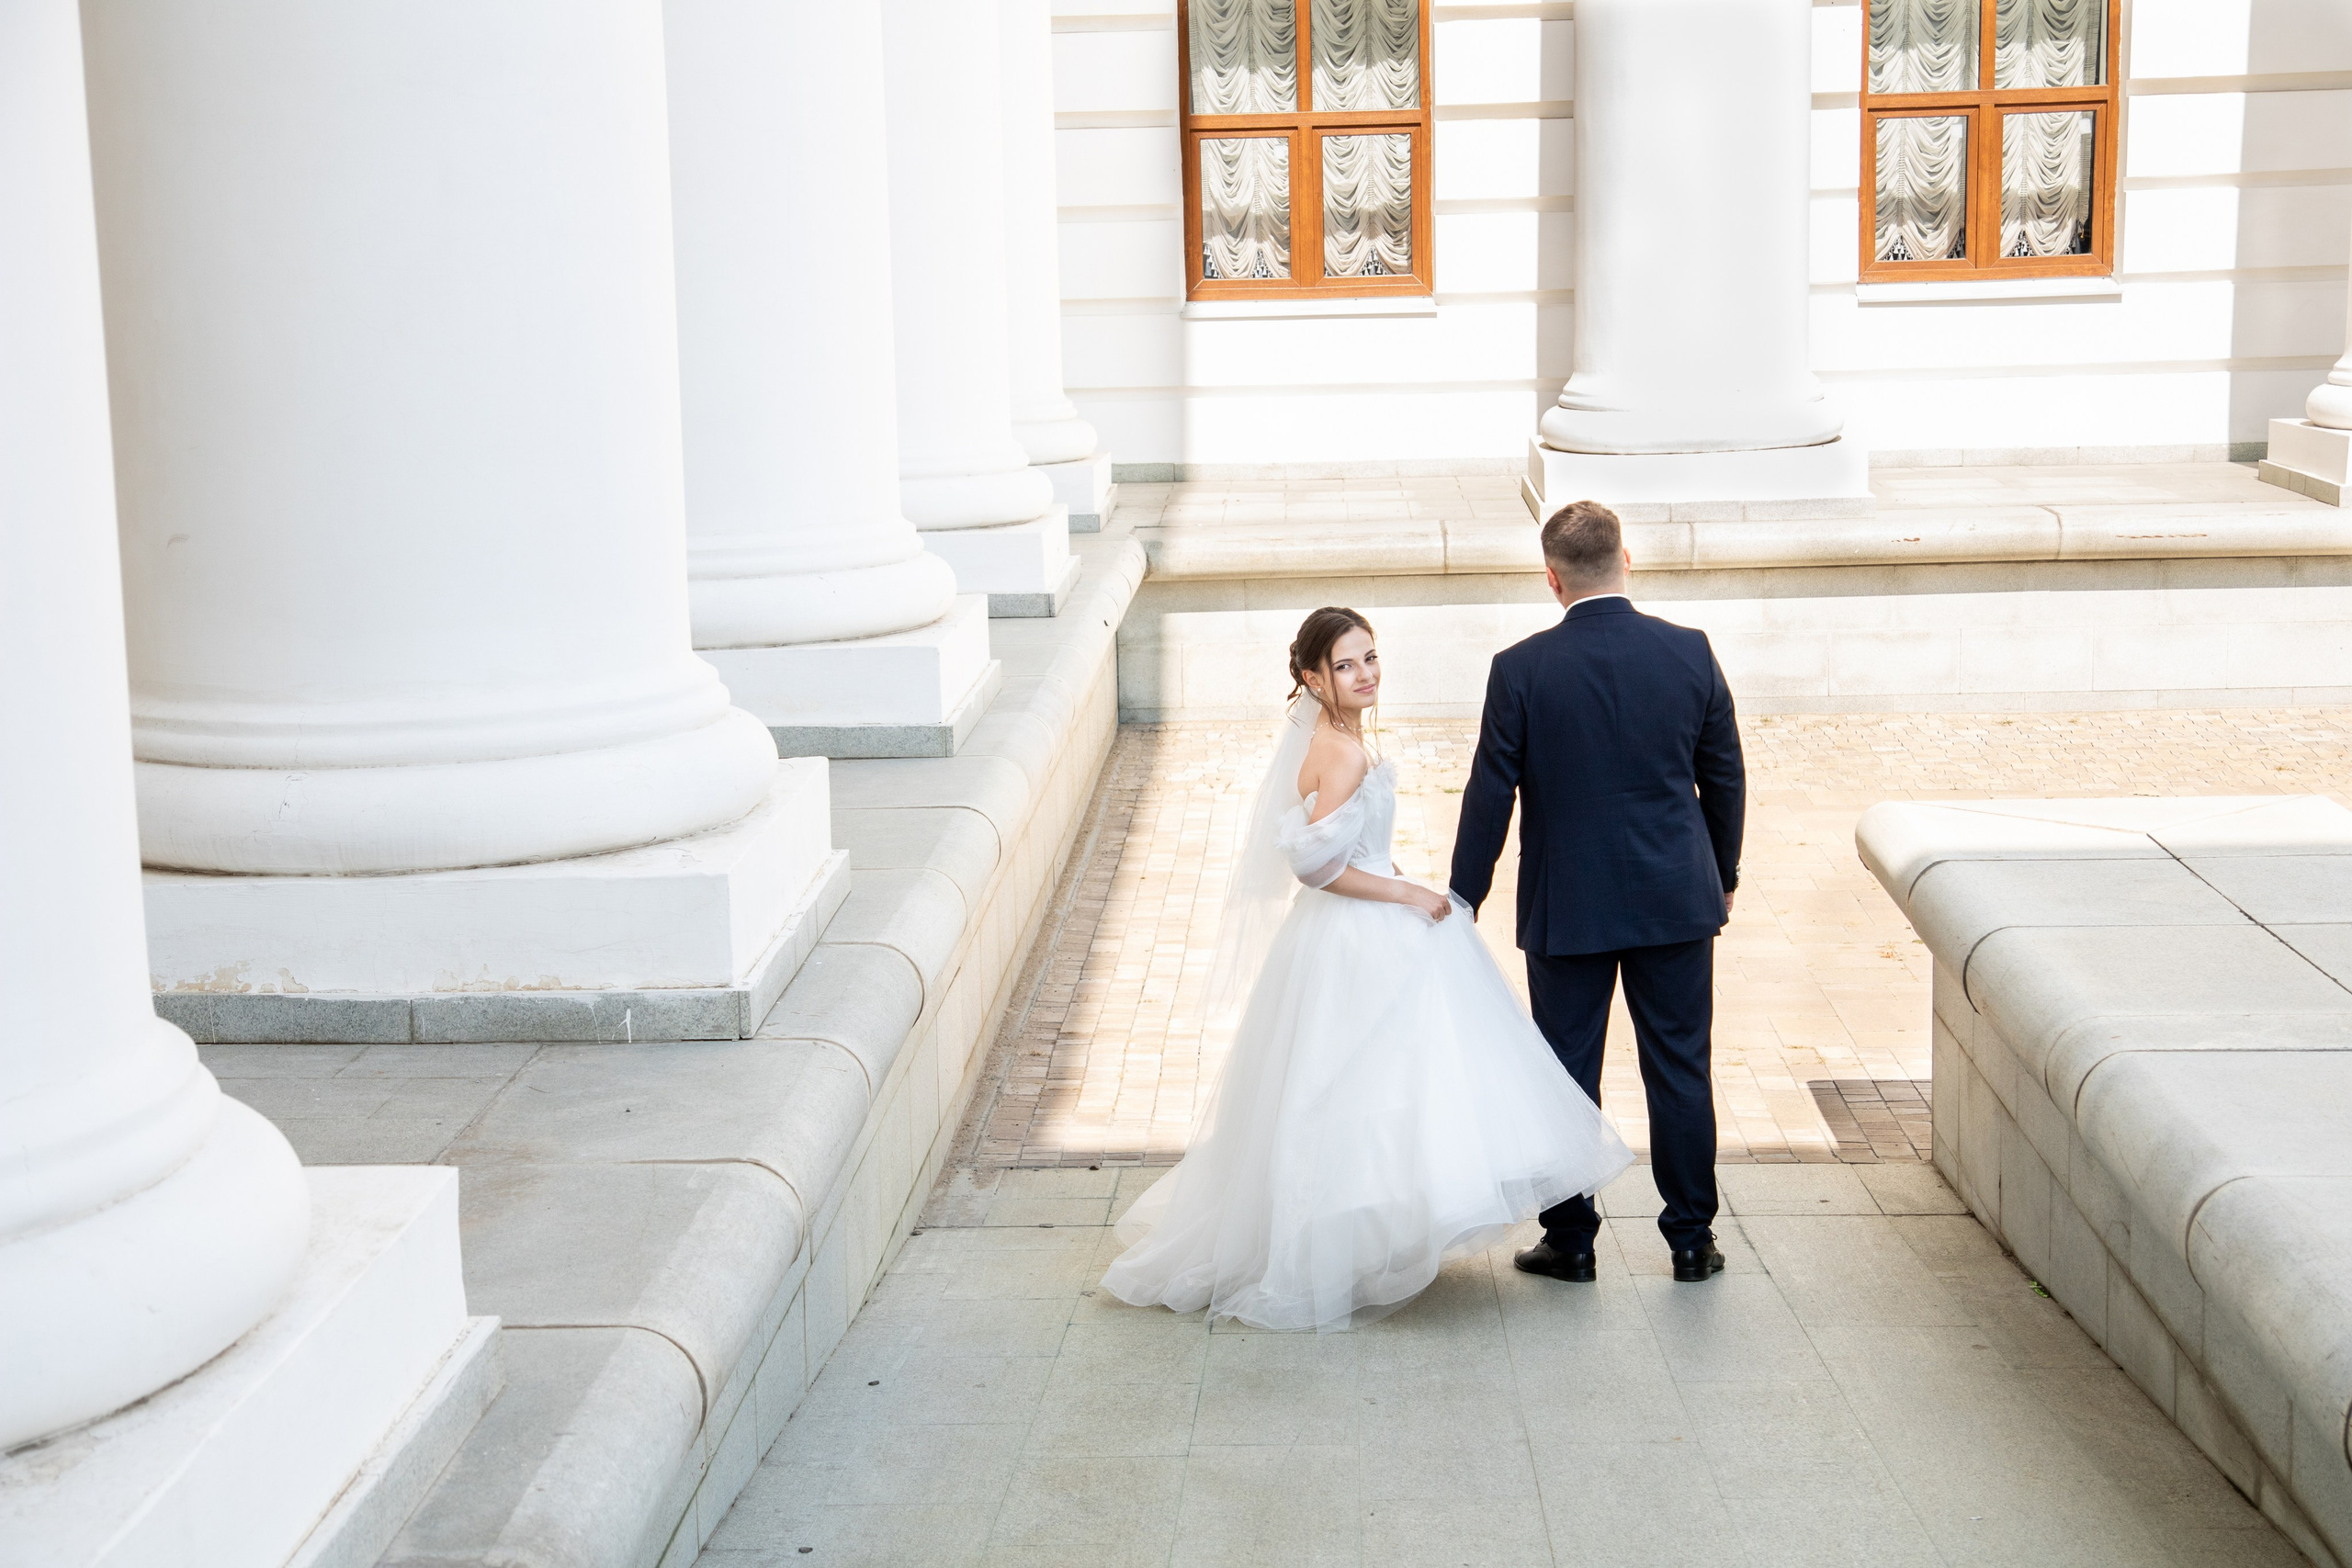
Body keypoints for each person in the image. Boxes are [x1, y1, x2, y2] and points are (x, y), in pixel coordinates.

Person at [1099, 606, 1632, 1331]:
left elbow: (1351, 845)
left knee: (1369, 1080)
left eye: (1371, 657)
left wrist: (1399, 877)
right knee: (1358, 1078)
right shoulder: (1342, 750)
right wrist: (1405, 891)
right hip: (1350, 932)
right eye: (1346, 664)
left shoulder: (1339, 737)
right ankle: (1340, 1245)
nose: (1365, 673)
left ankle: (1358, 1233)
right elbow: (1316, 866)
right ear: (1312, 677)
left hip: (1357, 923)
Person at [1450, 500, 1747, 1285]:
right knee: (1681, 1068)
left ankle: (1572, 1239)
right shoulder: (1690, 652)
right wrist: (1720, 874)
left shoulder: (1521, 668)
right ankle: (1691, 1239)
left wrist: (1462, 896)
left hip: (1568, 904)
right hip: (1676, 899)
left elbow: (1491, 792)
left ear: (1552, 578)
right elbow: (1724, 776)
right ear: (1627, 559)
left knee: (1566, 1074)